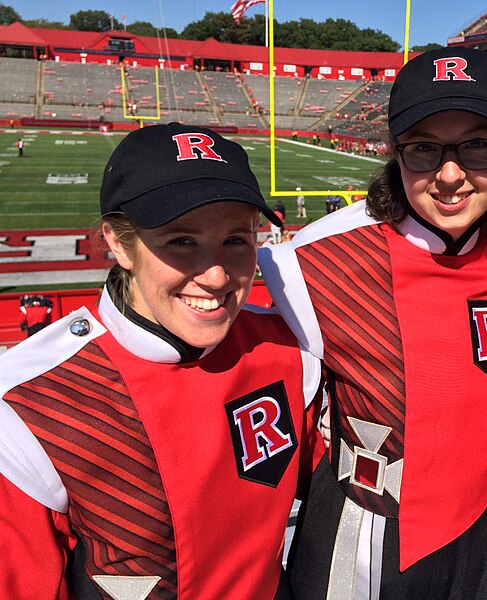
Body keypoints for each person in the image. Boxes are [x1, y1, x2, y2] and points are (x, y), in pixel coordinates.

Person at [259, 46, 487, 599]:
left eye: (476, 146)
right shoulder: (311, 263)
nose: (450, 175)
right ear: (395, 154)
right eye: (423, 149)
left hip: (485, 528)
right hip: (366, 532)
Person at [0, 123, 322, 599]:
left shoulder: (290, 350)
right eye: (181, 241)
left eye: (236, 239)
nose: (215, 276)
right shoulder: (30, 402)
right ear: (116, 242)